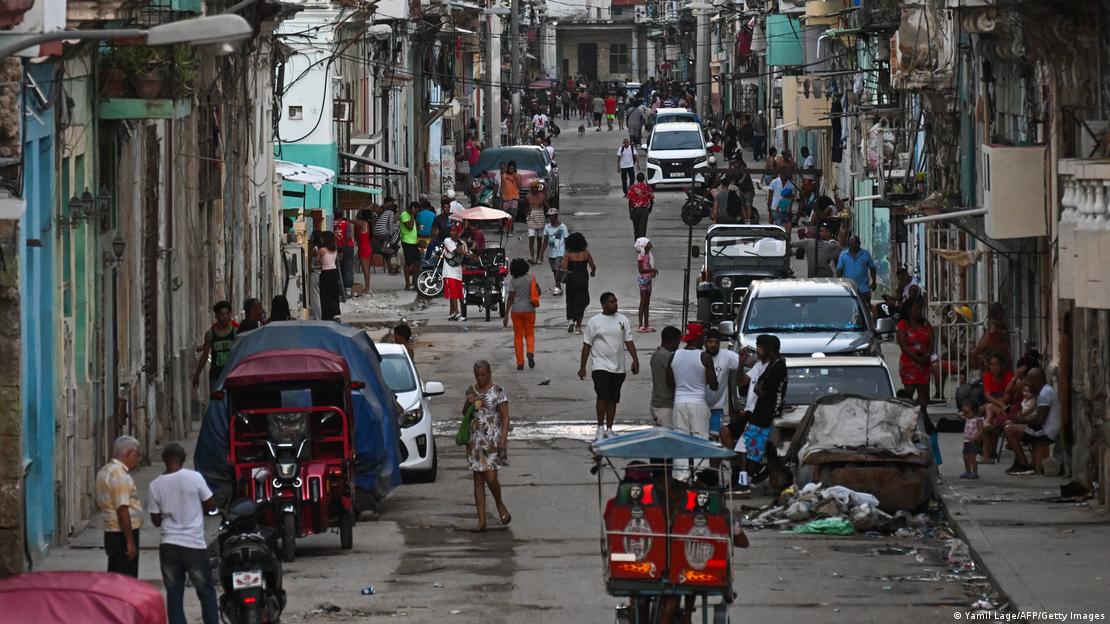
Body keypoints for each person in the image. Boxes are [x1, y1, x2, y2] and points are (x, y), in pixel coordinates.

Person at [149, 442, 218, 624]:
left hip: (169, 544)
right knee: (206, 591)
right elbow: (211, 505)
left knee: (174, 593)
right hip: (193, 544)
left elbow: (155, 520)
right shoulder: (194, 478)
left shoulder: (155, 485)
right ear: (184, 459)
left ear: (164, 460)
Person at [579, 292, 640, 441]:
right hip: (600, 366)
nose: (615, 304)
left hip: (618, 367)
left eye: (616, 301)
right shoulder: (594, 322)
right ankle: (600, 427)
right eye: (612, 302)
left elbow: (629, 341)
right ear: (604, 305)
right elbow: (587, 345)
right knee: (602, 396)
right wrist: (582, 367)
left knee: (613, 399)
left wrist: (635, 359)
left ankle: (610, 428)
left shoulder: (623, 320)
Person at [463, 360, 511, 532]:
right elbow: (465, 414)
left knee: (491, 477)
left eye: (483, 375)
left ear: (490, 373)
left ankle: (499, 504)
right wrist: (468, 403)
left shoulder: (497, 391)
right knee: (478, 479)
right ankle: (481, 521)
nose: (480, 378)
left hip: (493, 440)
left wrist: (504, 438)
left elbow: (505, 416)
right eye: (477, 375)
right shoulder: (471, 390)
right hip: (475, 439)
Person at [666, 324, 717, 479]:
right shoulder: (704, 357)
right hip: (698, 403)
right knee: (700, 440)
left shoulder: (674, 355)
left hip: (679, 403)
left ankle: (680, 477)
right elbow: (714, 384)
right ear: (699, 337)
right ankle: (701, 477)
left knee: (680, 440)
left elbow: (669, 382)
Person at [737, 334, 787, 492]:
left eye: (759, 347)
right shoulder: (769, 365)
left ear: (767, 349)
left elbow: (762, 391)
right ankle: (745, 481)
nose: (757, 350)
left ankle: (745, 482)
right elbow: (754, 386)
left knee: (749, 449)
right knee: (748, 450)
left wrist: (758, 387)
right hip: (760, 413)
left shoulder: (777, 366)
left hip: (764, 415)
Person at [896, 297, 939, 463]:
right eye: (915, 309)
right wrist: (916, 358)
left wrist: (927, 355)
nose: (918, 312)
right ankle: (908, 418)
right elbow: (903, 345)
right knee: (909, 392)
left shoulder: (926, 325)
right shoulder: (903, 325)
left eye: (919, 309)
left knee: (924, 393)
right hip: (909, 363)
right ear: (908, 310)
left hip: (923, 363)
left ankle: (923, 418)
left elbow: (931, 342)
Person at [96, 435, 143, 577]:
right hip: (121, 533)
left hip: (112, 531)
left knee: (115, 575)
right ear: (130, 453)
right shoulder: (118, 474)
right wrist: (130, 542)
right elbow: (122, 509)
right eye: (138, 454)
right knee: (126, 577)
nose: (138, 459)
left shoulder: (106, 470)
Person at [1003, 368, 1060, 476]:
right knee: (1011, 426)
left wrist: (1020, 420)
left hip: (1046, 431)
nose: (1028, 384)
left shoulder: (1045, 393)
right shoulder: (1044, 391)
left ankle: (1023, 463)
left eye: (1030, 381)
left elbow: (1039, 420)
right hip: (1045, 428)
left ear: (1038, 380)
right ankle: (1023, 462)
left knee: (1009, 430)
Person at [705, 328, 740, 443]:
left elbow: (745, 362)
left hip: (716, 409)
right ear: (705, 342)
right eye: (710, 342)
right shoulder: (698, 355)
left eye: (716, 342)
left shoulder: (727, 356)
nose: (713, 345)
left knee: (715, 443)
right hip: (699, 407)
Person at [192, 301, 238, 388]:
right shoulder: (210, 334)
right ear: (217, 316)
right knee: (216, 400)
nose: (225, 317)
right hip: (216, 376)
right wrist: (197, 374)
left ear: (230, 314)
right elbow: (204, 355)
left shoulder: (236, 332)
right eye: (222, 314)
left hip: (232, 375)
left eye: (227, 314)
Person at [978, 352, 1015, 463]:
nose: (995, 368)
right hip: (995, 403)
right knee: (983, 410)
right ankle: (987, 450)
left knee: (992, 420)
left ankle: (988, 451)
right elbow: (987, 395)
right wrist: (997, 405)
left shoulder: (1009, 376)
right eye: (992, 364)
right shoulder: (987, 376)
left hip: (1006, 405)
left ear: (1003, 365)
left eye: (997, 364)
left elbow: (1008, 397)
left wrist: (996, 405)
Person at [504, 258, 539, 370]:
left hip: (516, 311)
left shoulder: (513, 281)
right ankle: (530, 352)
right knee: (529, 334)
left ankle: (520, 362)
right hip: (529, 310)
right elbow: (537, 291)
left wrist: (506, 315)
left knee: (518, 336)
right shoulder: (531, 278)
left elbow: (510, 298)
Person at [561, 232, 596, 333]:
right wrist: (592, 272)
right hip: (583, 279)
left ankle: (571, 320)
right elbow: (593, 266)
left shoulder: (568, 254)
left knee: (571, 299)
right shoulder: (586, 253)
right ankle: (578, 327)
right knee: (582, 301)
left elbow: (564, 267)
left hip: (571, 279)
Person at [649, 326, 681, 427]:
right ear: (672, 341)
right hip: (665, 405)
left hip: (658, 403)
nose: (679, 344)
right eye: (678, 341)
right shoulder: (667, 357)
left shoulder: (656, 354)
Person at [837, 235, 878, 305]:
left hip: (863, 289)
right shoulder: (843, 255)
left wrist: (874, 281)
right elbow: (839, 270)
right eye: (851, 242)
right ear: (849, 244)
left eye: (855, 242)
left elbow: (872, 268)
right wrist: (840, 283)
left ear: (859, 243)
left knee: (866, 308)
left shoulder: (865, 254)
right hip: (848, 288)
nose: (853, 244)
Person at [970, 302, 1011, 370]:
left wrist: (975, 352)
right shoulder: (1002, 327)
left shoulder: (993, 327)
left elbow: (983, 344)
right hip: (1003, 360)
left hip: (994, 362)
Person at [442, 224, 468, 321]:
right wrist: (467, 254)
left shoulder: (463, 243)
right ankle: (457, 313)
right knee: (452, 292)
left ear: (459, 233)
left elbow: (465, 257)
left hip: (457, 270)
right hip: (449, 270)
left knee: (457, 293)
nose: (451, 232)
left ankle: (451, 313)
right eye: (451, 231)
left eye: (454, 231)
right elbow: (456, 250)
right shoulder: (447, 240)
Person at [540, 208, 568, 296]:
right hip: (551, 253)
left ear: (556, 216)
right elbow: (545, 240)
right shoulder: (547, 227)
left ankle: (558, 287)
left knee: (557, 269)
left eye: (552, 216)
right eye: (549, 216)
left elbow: (567, 240)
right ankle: (558, 286)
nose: (550, 218)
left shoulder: (562, 227)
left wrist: (567, 254)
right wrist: (541, 252)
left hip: (560, 252)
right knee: (555, 271)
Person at [317, 231, 342, 321]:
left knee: (325, 295)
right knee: (334, 294)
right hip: (334, 272)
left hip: (325, 273)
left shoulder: (322, 250)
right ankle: (336, 313)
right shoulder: (334, 249)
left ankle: (326, 315)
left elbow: (317, 261)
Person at [634, 237, 657, 332]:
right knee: (643, 302)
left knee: (647, 303)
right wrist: (652, 270)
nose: (650, 243)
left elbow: (649, 267)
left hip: (648, 280)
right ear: (644, 245)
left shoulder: (649, 255)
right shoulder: (641, 256)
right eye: (648, 242)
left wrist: (652, 272)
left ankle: (646, 324)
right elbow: (641, 270)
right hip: (643, 280)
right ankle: (640, 324)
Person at [959, 400, 985, 480]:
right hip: (967, 440)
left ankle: (975, 472)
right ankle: (968, 471)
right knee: (966, 457)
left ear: (974, 411)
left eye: (967, 412)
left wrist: (975, 437)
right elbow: (960, 415)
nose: (965, 414)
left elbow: (981, 430)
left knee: (973, 457)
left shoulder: (977, 419)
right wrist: (963, 412)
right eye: (965, 412)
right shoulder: (967, 418)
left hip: (974, 441)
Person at [373, 199, 400, 274]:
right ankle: (388, 246)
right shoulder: (390, 213)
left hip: (377, 232)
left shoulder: (385, 212)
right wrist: (391, 234)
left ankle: (390, 267)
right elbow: (390, 225)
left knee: (387, 251)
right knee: (395, 234)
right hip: (382, 232)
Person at [334, 211, 356, 298]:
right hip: (347, 247)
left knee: (338, 268)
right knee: (348, 267)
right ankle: (347, 290)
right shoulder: (347, 224)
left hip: (336, 248)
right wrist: (343, 249)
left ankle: (339, 289)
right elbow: (349, 237)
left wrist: (339, 250)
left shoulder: (331, 223)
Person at [525, 182, 548, 265]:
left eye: (536, 187)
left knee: (539, 240)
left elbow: (546, 206)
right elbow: (526, 208)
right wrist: (527, 216)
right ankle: (532, 257)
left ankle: (538, 257)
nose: (534, 189)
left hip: (540, 218)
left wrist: (549, 211)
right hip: (531, 218)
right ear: (531, 188)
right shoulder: (527, 197)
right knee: (531, 239)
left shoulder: (542, 196)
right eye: (533, 187)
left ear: (538, 188)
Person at [399, 201, 421, 290]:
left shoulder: (412, 216)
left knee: (417, 262)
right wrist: (412, 215)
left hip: (414, 242)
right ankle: (407, 284)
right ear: (412, 208)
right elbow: (410, 227)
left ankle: (414, 282)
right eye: (416, 210)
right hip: (407, 242)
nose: (416, 212)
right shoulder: (404, 214)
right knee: (408, 263)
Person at [627, 172, 654, 240]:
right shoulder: (647, 187)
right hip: (644, 210)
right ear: (644, 179)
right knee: (643, 229)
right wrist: (650, 208)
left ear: (636, 179)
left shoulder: (632, 188)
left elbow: (630, 201)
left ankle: (637, 243)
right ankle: (642, 243)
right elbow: (651, 199)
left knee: (636, 229)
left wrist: (630, 212)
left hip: (635, 210)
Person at [355, 208, 374, 292]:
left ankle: (367, 287)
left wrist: (346, 220)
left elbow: (353, 221)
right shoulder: (368, 224)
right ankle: (367, 286)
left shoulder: (363, 223)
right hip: (367, 247)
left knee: (365, 269)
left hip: (363, 248)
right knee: (366, 269)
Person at [500, 161, 523, 229]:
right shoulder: (503, 175)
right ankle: (509, 227)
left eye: (512, 169)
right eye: (510, 168)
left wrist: (516, 177)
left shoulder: (518, 175)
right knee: (506, 214)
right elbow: (502, 187)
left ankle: (510, 228)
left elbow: (520, 187)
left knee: (513, 213)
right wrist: (501, 198)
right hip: (506, 198)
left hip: (514, 197)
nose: (511, 170)